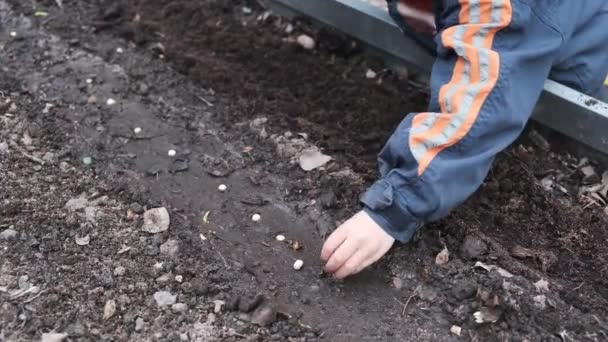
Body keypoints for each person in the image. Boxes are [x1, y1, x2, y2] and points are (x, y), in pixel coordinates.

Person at [320, 0, 608, 279]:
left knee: (506, 96)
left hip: (558, 57)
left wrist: (395, 207)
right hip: (526, 30)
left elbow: (484, 96)